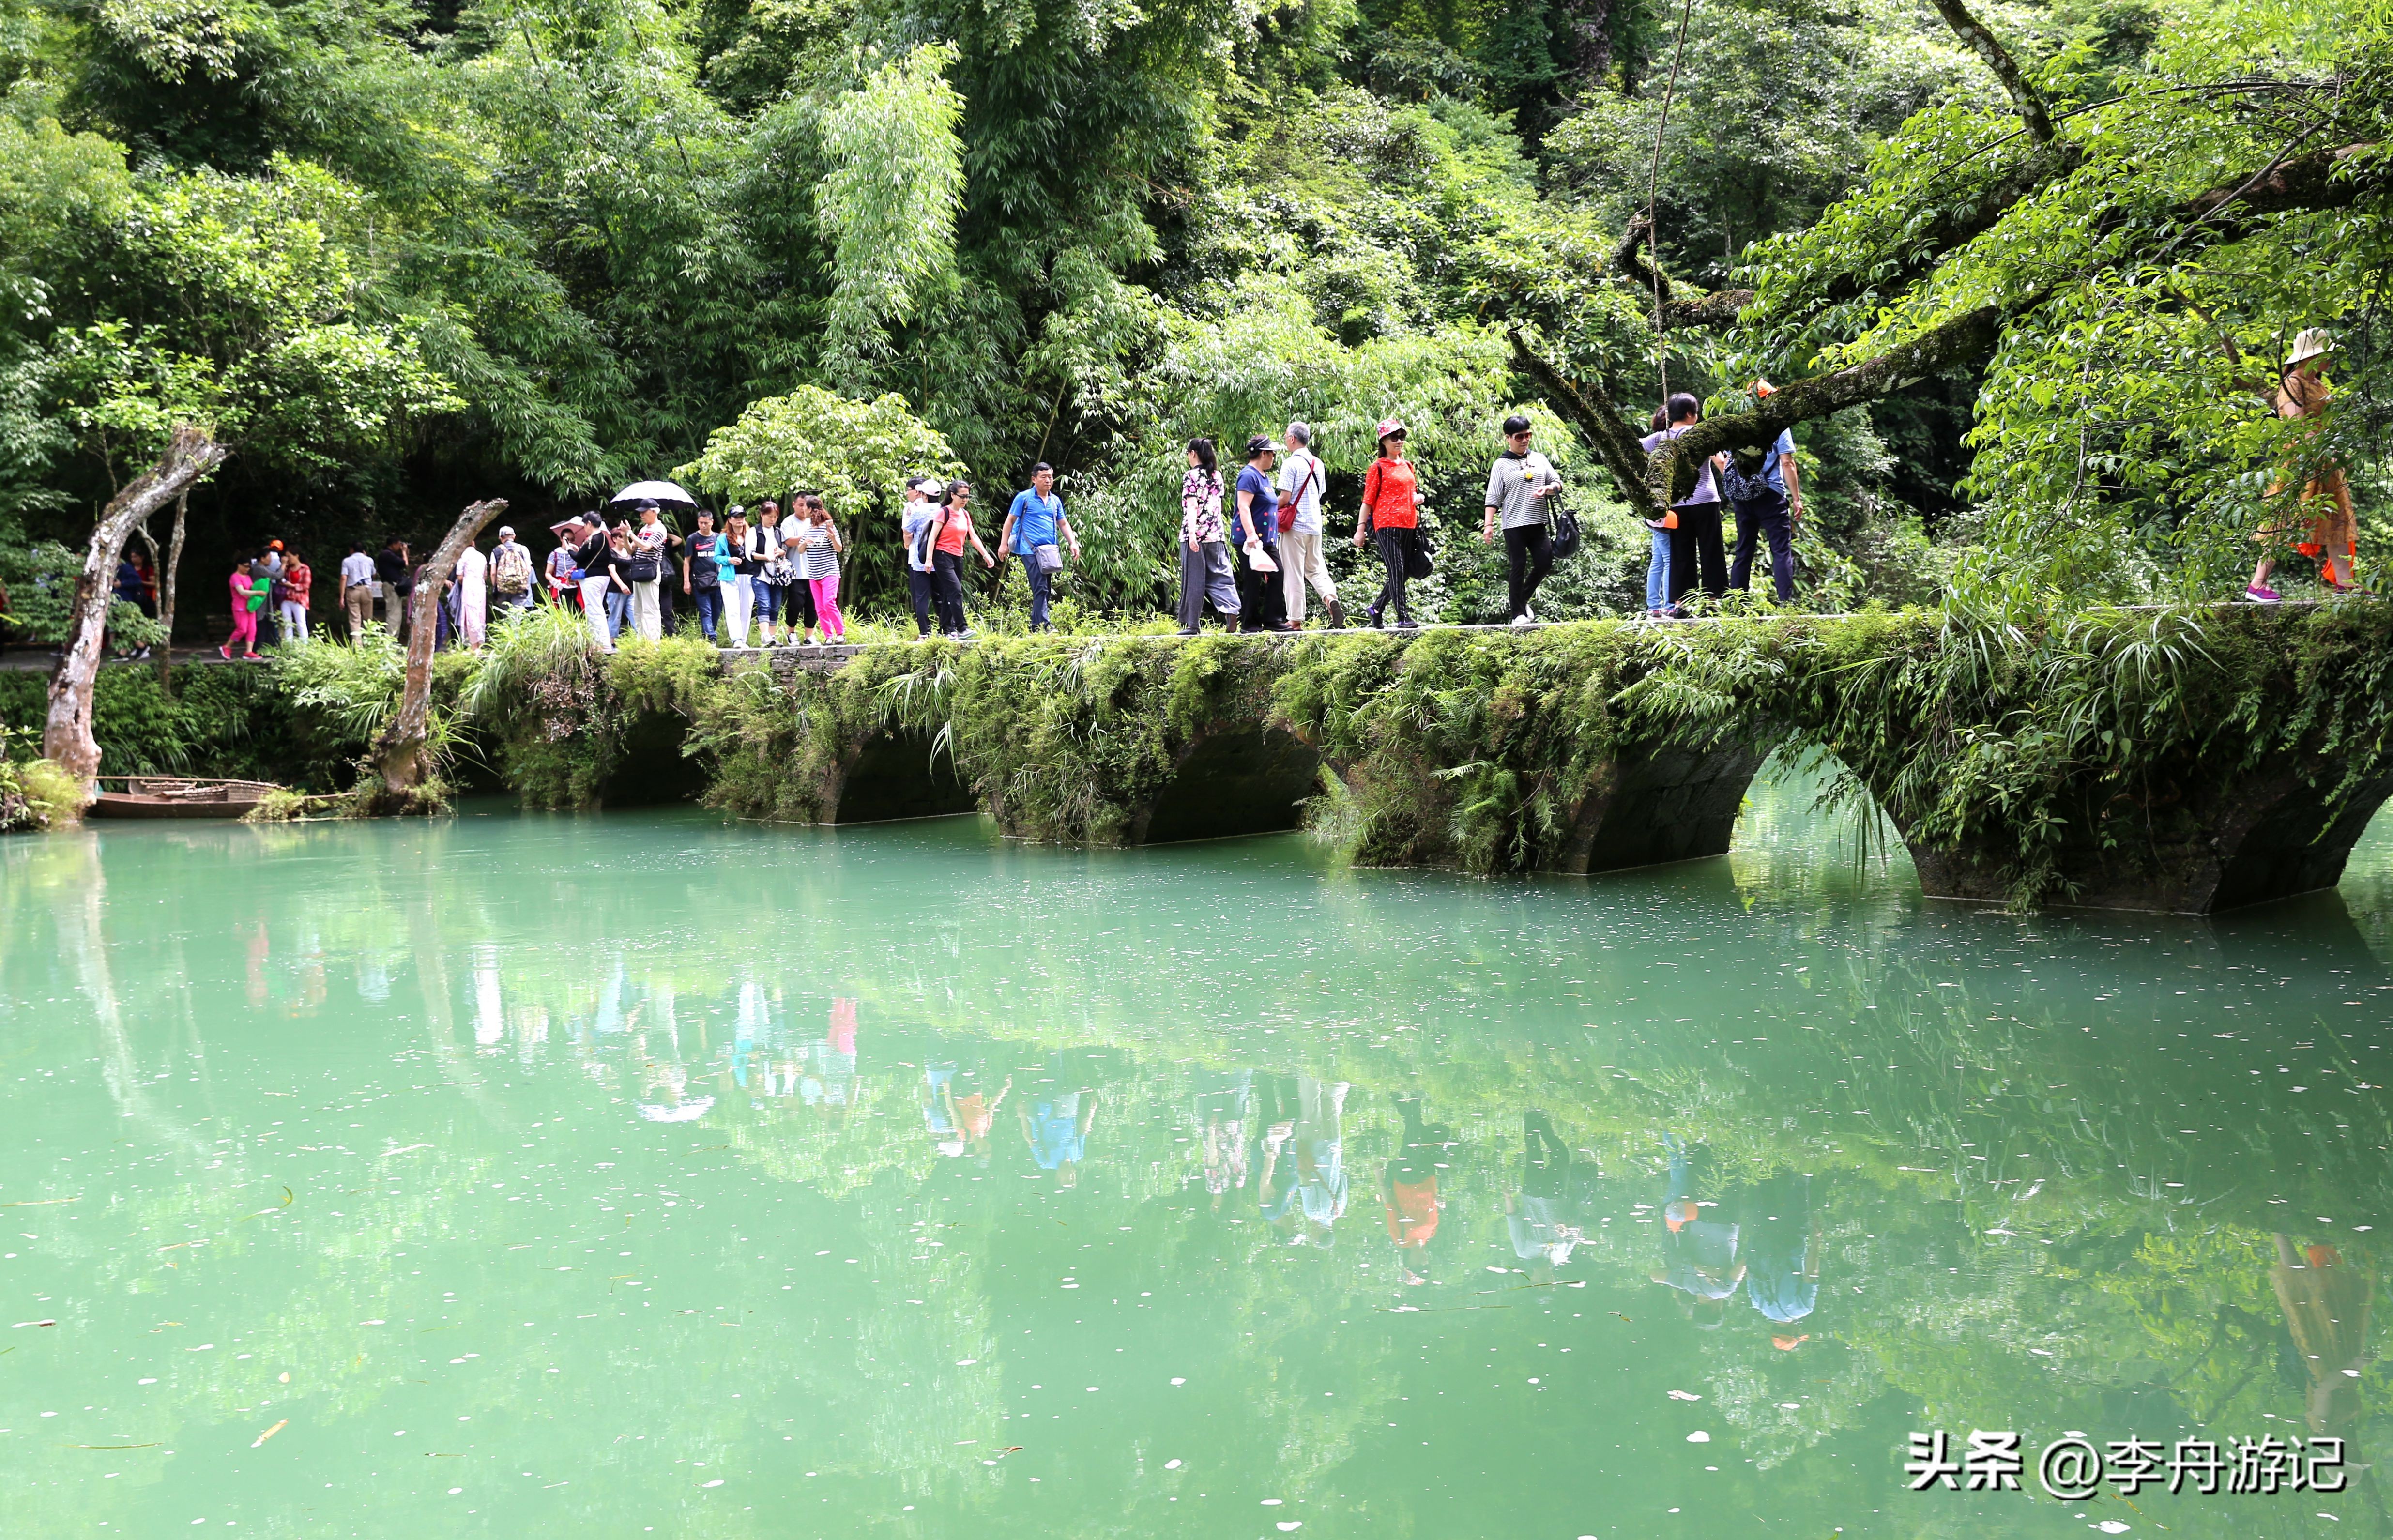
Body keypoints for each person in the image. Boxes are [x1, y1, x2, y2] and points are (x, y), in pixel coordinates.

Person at [2247, 329, 2362, 602]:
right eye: (2326, 354)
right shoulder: (2292, 384)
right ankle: (2257, 584)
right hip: (2302, 461)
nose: (2330, 359)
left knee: (2338, 519)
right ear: (2312, 356)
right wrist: (2322, 452)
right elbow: (2298, 427)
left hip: (2327, 460)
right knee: (2282, 520)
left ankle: (2345, 584)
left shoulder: (2319, 385)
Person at [1641, 393, 1728, 611]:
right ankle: (1712, 602)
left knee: (1681, 553)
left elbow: (1636, 447)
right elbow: (1721, 461)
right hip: (1706, 500)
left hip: (1678, 505)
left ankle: (1681, 604)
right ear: (1690, 414)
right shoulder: (1702, 433)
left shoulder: (1662, 437)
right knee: (1711, 550)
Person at [1721, 382, 1803, 604]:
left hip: (1743, 496)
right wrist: (1796, 499)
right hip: (1771, 493)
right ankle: (1786, 604)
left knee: (1744, 550)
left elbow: (1729, 462)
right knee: (1780, 549)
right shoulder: (1778, 426)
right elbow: (1787, 463)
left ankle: (1738, 605)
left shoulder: (1738, 426)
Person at [1482, 413, 1564, 625]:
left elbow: (1558, 483)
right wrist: (1488, 525)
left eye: (1528, 435)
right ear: (1508, 438)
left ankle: (1522, 598)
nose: (1525, 440)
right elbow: (1493, 497)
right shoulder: (1501, 465)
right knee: (1518, 566)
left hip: (1538, 522)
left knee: (1544, 563)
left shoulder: (1539, 458)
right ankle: (1517, 614)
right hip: (1514, 524)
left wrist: (1549, 488)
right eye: (1519, 437)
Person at [1354, 417, 1421, 629]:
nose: (1399, 441)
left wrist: (1418, 498)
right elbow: (1368, 501)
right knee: (1397, 571)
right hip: (1387, 525)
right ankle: (1403, 616)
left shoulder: (1408, 466)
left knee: (1404, 571)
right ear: (1383, 441)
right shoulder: (1378, 468)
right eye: (1394, 437)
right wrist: (1361, 530)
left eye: (1402, 437)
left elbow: (1412, 493)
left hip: (1409, 523)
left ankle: (1377, 608)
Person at [1383, 1095, 1454, 1286]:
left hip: (1407, 1180)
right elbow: (1430, 1207)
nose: (1424, 1263)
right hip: (1428, 1178)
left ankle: (1415, 1094)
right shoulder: (1430, 1235)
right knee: (1434, 1135)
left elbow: (1390, 1206)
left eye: (1419, 1267)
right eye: (1426, 1267)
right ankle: (1403, 1103)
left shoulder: (1401, 1239)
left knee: (1413, 1139)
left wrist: (1379, 1178)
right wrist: (1438, 1201)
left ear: (1408, 1262)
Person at [1001, 463, 1079, 632]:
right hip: (1029, 550)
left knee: (1045, 589)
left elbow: (1063, 523)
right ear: (1034, 479)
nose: (1048, 480)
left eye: (1050, 476)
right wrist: (1003, 545)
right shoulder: (1024, 498)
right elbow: (1010, 521)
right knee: (1041, 588)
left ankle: (1036, 626)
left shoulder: (1055, 500)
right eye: (1043, 477)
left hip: (1049, 551)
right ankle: (1046, 625)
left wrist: (1073, 542)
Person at [1278, 421, 1341, 628]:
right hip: (1315, 525)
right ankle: (1330, 598)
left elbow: (1285, 498)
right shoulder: (1318, 464)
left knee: (1293, 571)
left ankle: (1295, 620)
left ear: (1293, 439)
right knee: (1316, 569)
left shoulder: (1290, 464)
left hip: (1294, 526)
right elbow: (1320, 493)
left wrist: (1267, 505)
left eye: (1287, 437)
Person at [1505, 1109, 1584, 1271]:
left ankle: (1530, 1117)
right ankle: (1542, 1122)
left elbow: (1514, 1221)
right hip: (1556, 1195)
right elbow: (1577, 1230)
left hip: (1532, 1194)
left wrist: (1508, 1198)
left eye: (1541, 1282)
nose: (1546, 1278)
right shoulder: (1562, 1256)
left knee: (1535, 1153)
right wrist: (1569, 1227)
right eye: (1549, 1283)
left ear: (1533, 1279)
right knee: (1562, 1155)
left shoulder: (1524, 1251)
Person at [1176, 438, 1239, 634]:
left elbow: (1193, 506)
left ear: (1193, 453)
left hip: (1194, 535)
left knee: (1194, 579)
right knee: (1221, 575)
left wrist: (1193, 534)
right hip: (1215, 534)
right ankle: (1231, 609)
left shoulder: (1191, 476)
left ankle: (1193, 625)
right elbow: (1217, 506)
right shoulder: (1217, 476)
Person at [1232, 435, 1289, 632]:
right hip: (1250, 540)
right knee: (1253, 579)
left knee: (1277, 573)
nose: (1274, 457)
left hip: (1267, 540)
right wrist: (1251, 534)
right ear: (1263, 453)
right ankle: (1250, 624)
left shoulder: (1264, 476)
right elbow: (1243, 506)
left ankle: (1273, 619)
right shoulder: (1248, 475)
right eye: (1272, 453)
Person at [933, 481, 994, 638]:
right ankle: (961, 628)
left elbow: (973, 537)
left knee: (949, 593)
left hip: (958, 557)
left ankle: (945, 630)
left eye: (967, 496)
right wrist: (928, 560)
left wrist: (985, 555)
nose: (965, 499)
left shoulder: (965, 514)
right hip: (942, 556)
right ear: (953, 495)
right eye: (962, 496)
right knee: (956, 591)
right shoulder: (943, 513)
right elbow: (933, 537)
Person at [796, 494, 845, 642]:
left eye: (804, 506)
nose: (803, 509)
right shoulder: (808, 529)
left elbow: (839, 549)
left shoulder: (828, 527)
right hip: (814, 574)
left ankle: (840, 633)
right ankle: (829, 636)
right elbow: (800, 550)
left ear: (811, 509)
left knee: (828, 602)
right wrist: (805, 543)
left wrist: (833, 539)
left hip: (830, 571)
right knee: (820, 607)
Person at [901, 478, 943, 638]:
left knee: (921, 598)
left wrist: (907, 542)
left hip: (920, 561)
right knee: (941, 596)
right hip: (940, 561)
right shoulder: (944, 511)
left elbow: (907, 530)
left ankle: (925, 632)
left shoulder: (918, 512)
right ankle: (945, 629)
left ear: (924, 495)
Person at [573, 518, 618, 651]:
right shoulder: (604, 538)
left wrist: (570, 549)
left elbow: (578, 557)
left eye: (584, 525)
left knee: (594, 611)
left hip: (592, 578)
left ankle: (603, 645)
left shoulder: (593, 539)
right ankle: (599, 642)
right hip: (603, 577)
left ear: (589, 523)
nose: (584, 528)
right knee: (597, 609)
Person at [750, 501, 790, 646]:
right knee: (764, 604)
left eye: (775, 517)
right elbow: (750, 554)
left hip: (777, 575)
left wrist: (781, 552)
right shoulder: (754, 531)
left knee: (775, 606)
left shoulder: (778, 531)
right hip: (760, 574)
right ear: (762, 515)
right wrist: (765, 557)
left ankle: (772, 638)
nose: (772, 520)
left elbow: (784, 549)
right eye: (769, 516)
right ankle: (765, 635)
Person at [625, 500, 667, 640]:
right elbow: (631, 550)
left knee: (651, 608)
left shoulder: (660, 529)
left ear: (654, 512)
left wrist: (631, 534)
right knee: (638, 609)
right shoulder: (644, 529)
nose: (641, 515)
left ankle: (653, 643)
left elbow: (646, 547)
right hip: (639, 570)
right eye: (641, 512)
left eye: (644, 512)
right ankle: (641, 640)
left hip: (651, 570)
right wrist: (626, 535)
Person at [682, 509, 725, 642]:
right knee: (706, 610)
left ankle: (706, 636)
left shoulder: (718, 538)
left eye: (706, 523)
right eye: (701, 523)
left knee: (717, 611)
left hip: (717, 581)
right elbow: (687, 561)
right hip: (700, 581)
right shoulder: (693, 539)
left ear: (712, 522)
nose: (704, 526)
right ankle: (712, 638)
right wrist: (686, 581)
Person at [780, 497, 819, 642]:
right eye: (800, 505)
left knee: (813, 604)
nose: (803, 509)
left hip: (815, 570)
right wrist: (807, 537)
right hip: (795, 571)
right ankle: (791, 633)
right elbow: (789, 541)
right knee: (796, 603)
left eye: (806, 506)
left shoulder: (814, 521)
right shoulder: (788, 522)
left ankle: (810, 636)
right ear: (794, 505)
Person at [720, 509, 755, 646]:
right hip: (730, 577)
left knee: (746, 609)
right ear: (730, 520)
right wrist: (729, 560)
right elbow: (717, 557)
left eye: (742, 517)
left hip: (749, 575)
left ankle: (744, 639)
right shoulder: (723, 538)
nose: (740, 520)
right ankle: (737, 639)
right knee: (733, 609)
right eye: (736, 517)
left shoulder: (751, 536)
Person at [219, 557, 261, 660]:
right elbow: (242, 591)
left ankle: (249, 651)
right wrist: (257, 593)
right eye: (246, 566)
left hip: (250, 606)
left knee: (252, 629)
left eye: (249, 567)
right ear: (239, 565)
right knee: (242, 629)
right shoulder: (235, 577)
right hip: (240, 607)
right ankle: (227, 647)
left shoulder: (247, 577)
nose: (248, 569)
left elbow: (251, 588)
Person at [489, 526, 536, 612]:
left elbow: (493, 573)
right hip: (520, 587)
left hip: (502, 589)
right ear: (514, 536)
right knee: (518, 614)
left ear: (501, 538)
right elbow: (528, 570)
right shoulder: (523, 549)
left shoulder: (496, 551)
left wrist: (496, 586)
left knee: (506, 615)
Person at [453, 536, 488, 649]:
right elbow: (485, 575)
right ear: (473, 543)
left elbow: (460, 577)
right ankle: (480, 642)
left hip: (469, 587)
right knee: (480, 613)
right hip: (481, 586)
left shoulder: (463, 557)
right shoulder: (482, 556)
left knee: (470, 614)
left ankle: (474, 645)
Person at [374, 537, 412, 638]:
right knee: (394, 615)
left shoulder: (388, 555)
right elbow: (405, 564)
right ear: (393, 544)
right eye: (399, 544)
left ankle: (392, 640)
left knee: (395, 614)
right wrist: (404, 552)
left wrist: (405, 553)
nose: (400, 547)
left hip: (391, 586)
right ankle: (391, 641)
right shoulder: (387, 554)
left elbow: (401, 564)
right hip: (392, 586)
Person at [340, 541, 376, 639]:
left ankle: (358, 647)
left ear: (352, 550)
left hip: (353, 590)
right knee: (368, 619)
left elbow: (344, 578)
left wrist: (342, 597)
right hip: (367, 589)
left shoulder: (347, 561)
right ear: (363, 550)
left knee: (355, 619)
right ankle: (369, 642)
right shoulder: (369, 560)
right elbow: (374, 574)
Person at [278, 547, 312, 646]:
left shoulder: (305, 569)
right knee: (287, 625)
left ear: (296, 556)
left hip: (299, 599)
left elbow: (306, 586)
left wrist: (292, 586)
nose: (288, 559)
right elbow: (279, 577)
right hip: (286, 599)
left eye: (289, 557)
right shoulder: (287, 569)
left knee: (301, 624)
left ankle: (304, 649)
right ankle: (289, 649)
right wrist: (284, 564)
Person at [544, 522, 582, 609]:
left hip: (577, 586)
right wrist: (555, 582)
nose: (570, 542)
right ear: (562, 539)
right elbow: (548, 573)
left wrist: (578, 552)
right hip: (561, 586)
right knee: (564, 610)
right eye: (568, 539)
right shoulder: (555, 554)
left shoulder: (577, 553)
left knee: (578, 611)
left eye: (573, 539)